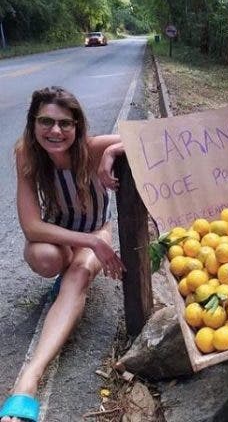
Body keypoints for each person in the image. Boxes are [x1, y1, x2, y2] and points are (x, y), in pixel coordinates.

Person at [2, 87, 125, 422]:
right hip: (61, 236)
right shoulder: (27, 155)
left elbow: (149, 139)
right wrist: (87, 241)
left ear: (77, 126)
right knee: (45, 258)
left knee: (80, 273)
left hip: (97, 231)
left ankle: (28, 381)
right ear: (33, 124)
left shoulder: (92, 148)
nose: (55, 131)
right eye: (46, 121)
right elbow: (31, 227)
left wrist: (114, 149)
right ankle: (67, 279)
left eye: (64, 123)